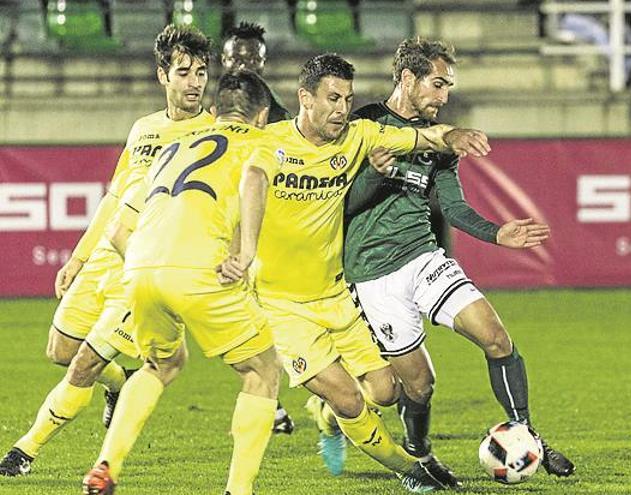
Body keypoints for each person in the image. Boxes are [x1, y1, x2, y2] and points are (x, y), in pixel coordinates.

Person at [340, 37, 575, 485]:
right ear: (407, 79)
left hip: (423, 257)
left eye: (448, 87)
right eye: (438, 84)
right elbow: (346, 205)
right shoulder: (365, 124)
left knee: (496, 338)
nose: (444, 97)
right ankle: (418, 453)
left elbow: (452, 206)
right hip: (373, 275)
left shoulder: (442, 142)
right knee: (416, 386)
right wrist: (374, 172)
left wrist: (495, 233)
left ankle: (527, 434)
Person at [250, 53, 490, 492]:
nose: (342, 109)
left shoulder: (359, 135)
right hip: (282, 307)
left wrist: (452, 133)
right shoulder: (267, 144)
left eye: (347, 98)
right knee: (346, 395)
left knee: (385, 392)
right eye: (331, 98)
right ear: (305, 98)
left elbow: (422, 138)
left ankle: (325, 417)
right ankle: (412, 471)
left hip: (335, 295)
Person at [0, 24, 214, 477]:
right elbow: (115, 198)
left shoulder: (213, 134)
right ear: (163, 75)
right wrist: (78, 258)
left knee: (82, 364)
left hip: (144, 270)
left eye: (201, 72)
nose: (195, 82)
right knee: (60, 350)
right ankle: (118, 383)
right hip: (103, 258)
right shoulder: (144, 129)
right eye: (184, 72)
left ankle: (24, 452)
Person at [82, 69, 281, 495]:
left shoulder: (171, 148)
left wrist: (150, 266)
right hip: (201, 270)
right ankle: (237, 490)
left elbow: (117, 230)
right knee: (262, 371)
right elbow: (253, 179)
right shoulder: (261, 142)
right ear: (261, 115)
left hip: (138, 269)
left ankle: (106, 465)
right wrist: (245, 253)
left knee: (160, 365)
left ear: (213, 112)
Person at [221, 19, 295, 436]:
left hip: (259, 233)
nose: (245, 64)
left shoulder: (276, 115)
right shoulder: (208, 107)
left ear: (263, 63)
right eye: (237, 56)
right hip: (213, 228)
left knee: (261, 318)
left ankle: (277, 401)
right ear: (224, 59)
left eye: (253, 58)